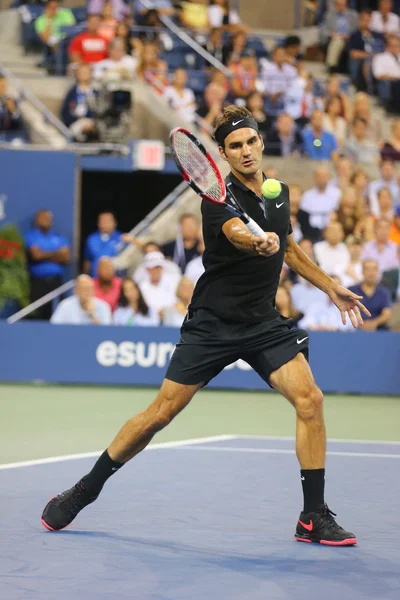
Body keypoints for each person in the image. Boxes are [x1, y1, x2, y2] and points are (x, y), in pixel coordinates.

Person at [42, 105, 370, 546]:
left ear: (260, 140)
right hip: (212, 324)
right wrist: (256, 241)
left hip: (262, 322)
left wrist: (331, 287)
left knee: (310, 399)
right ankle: (87, 487)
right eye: (235, 146)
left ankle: (312, 517)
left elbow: (289, 250)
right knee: (160, 414)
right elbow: (236, 232)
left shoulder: (278, 193)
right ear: (223, 154)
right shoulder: (215, 199)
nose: (246, 151)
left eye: (251, 141)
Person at [25, 209, 70, 321]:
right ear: (37, 220)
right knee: (35, 315)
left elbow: (66, 257)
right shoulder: (31, 236)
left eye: (49, 218)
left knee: (56, 315)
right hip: (37, 283)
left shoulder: (59, 237)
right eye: (43, 218)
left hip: (56, 283)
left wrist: (44, 253)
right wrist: (56, 253)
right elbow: (36, 255)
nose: (47, 220)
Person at [299, 166, 341, 240]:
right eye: (319, 176)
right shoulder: (307, 195)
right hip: (310, 231)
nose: (322, 179)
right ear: (314, 178)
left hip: (330, 229)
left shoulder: (337, 194)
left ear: (329, 177)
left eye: (324, 176)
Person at [61, 64, 99, 143]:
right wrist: (77, 119)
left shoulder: (96, 93)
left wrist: (91, 121)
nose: (84, 75)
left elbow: (100, 111)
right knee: (77, 130)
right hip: (76, 122)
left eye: (86, 73)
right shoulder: (72, 92)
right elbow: (65, 112)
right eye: (81, 73)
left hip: (92, 122)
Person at [349, 260, 392, 330]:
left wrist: (374, 323)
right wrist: (360, 324)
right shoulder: (351, 290)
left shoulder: (384, 292)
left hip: (378, 330)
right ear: (362, 271)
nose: (371, 273)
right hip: (355, 329)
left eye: (374, 269)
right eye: (367, 269)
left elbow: (387, 314)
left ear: (378, 272)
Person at [348, 9, 385, 90]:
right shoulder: (355, 36)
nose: (366, 22)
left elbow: (383, 50)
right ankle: (369, 88)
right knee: (367, 62)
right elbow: (353, 53)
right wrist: (369, 55)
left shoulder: (377, 35)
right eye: (363, 20)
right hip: (362, 61)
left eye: (368, 20)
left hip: (378, 60)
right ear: (359, 20)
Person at [34, 0, 75, 69]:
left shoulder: (66, 13)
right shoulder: (40, 20)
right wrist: (49, 20)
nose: (54, 10)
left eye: (56, 7)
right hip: (52, 45)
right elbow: (45, 38)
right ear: (46, 8)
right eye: (51, 8)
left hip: (67, 41)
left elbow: (72, 29)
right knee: (54, 42)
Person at [320, 0, 358, 72]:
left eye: (343, 5)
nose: (341, 7)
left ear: (346, 5)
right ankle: (332, 65)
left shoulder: (353, 15)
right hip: (334, 37)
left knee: (338, 41)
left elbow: (356, 29)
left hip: (348, 38)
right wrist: (330, 34)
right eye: (339, 5)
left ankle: (331, 65)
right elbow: (323, 29)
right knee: (337, 40)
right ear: (335, 5)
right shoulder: (329, 14)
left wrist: (348, 35)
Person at [83, 212, 125, 277]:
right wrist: (86, 276)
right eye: (103, 221)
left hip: (115, 281)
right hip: (95, 279)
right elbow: (87, 260)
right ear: (98, 223)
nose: (105, 224)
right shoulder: (91, 239)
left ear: (115, 223)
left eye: (108, 221)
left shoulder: (122, 239)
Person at [372, 35, 400, 111]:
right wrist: (395, 78)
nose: (396, 48)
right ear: (387, 47)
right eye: (393, 46)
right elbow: (378, 75)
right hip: (391, 84)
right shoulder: (380, 58)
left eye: (397, 46)